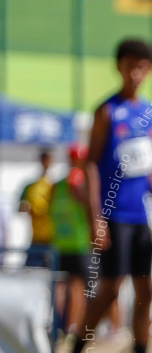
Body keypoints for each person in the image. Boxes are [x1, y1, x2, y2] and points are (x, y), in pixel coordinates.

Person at [63, 38, 152, 353]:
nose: (136, 73)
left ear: (149, 70)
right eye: (131, 65)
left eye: (143, 67)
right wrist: (95, 217)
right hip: (113, 216)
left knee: (146, 290)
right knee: (110, 291)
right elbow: (91, 163)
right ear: (120, 66)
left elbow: (150, 168)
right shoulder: (106, 111)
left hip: (141, 219)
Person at [48, 143, 92, 336]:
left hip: (60, 242)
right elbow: (89, 207)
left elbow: (50, 211)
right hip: (79, 243)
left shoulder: (57, 184)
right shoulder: (79, 181)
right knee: (77, 288)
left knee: (60, 286)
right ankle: (72, 327)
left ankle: (59, 326)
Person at [18, 148, 55, 269]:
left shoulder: (55, 185)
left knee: (55, 275)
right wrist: (26, 208)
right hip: (36, 238)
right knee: (30, 271)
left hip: (53, 238)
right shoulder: (30, 186)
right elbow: (20, 207)